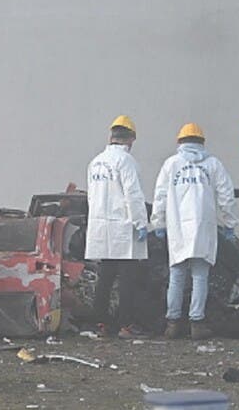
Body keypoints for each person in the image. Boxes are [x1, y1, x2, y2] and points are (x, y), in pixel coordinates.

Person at [152, 123, 239, 340]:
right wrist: (230, 222)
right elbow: (226, 195)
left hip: (178, 228)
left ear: (180, 142)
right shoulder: (213, 165)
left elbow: (160, 196)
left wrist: (159, 223)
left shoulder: (171, 165)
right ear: (202, 142)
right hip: (203, 227)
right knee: (200, 275)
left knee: (177, 275)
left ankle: (172, 323)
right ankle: (197, 323)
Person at [86, 115, 149, 339]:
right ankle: (126, 325)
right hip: (122, 228)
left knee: (105, 277)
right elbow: (133, 195)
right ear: (130, 139)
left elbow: (92, 198)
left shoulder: (95, 162)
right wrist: (141, 223)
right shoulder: (126, 162)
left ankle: (101, 323)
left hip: (101, 228)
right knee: (127, 279)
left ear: (111, 137)